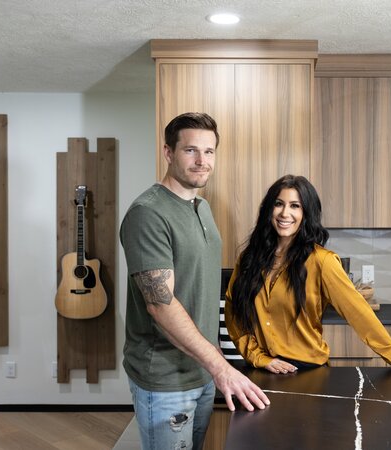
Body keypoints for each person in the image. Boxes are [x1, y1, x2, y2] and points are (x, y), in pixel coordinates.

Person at [120, 112, 269, 450]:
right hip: (166, 379)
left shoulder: (201, 206)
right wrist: (222, 368)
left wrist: (215, 363)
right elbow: (160, 304)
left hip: (202, 369)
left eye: (209, 151)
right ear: (168, 152)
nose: (202, 161)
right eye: (190, 150)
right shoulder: (148, 213)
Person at [225, 174, 391, 374]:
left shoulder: (322, 261)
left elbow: (359, 313)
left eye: (295, 206)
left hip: (306, 371)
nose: (284, 213)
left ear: (306, 213)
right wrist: (257, 356)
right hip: (261, 370)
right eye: (279, 204)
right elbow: (233, 309)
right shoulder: (250, 258)